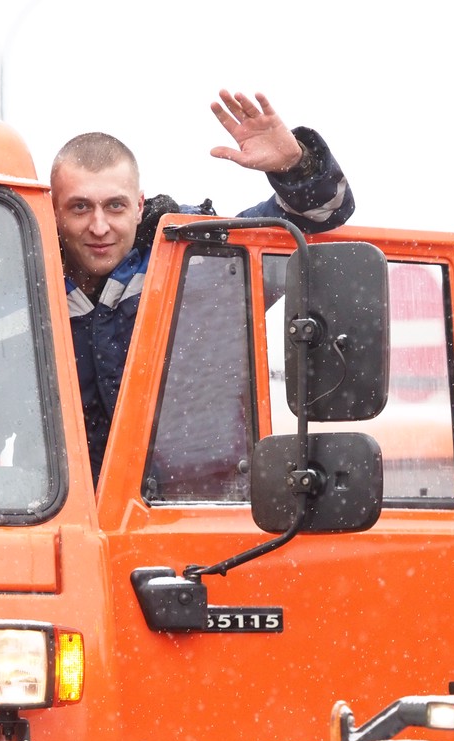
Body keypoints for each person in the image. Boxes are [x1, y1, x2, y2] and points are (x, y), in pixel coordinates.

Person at [51, 89, 355, 482]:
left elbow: (318, 217)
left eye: (115, 206)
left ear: (140, 205)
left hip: (196, 511)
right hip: (67, 518)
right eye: (80, 207)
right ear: (53, 210)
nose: (99, 226)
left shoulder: (202, 263)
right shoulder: (22, 291)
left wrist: (296, 167)